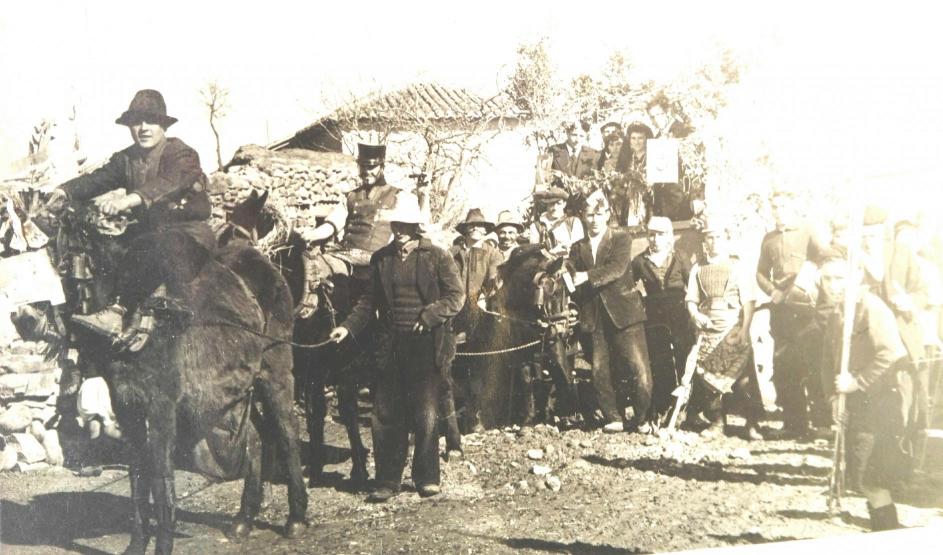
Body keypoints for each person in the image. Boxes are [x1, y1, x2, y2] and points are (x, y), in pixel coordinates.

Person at [328, 195, 464, 503]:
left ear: (416, 227)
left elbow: (456, 297)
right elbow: (368, 302)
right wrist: (347, 327)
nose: (399, 230)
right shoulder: (382, 259)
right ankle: (387, 480)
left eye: (405, 225)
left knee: (426, 413)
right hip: (390, 346)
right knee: (386, 413)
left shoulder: (437, 257)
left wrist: (430, 316)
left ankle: (426, 478)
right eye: (396, 225)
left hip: (426, 346)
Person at [60, 89, 214, 349]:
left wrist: (128, 200)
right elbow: (97, 179)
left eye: (151, 121)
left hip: (187, 236)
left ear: (163, 126)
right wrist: (64, 191)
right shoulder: (126, 159)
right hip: (148, 235)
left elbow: (170, 182)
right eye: (136, 122)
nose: (143, 128)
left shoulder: (182, 154)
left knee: (152, 245)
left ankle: (117, 312)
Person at [818, 257, 911, 531]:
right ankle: (884, 530)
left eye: (839, 278)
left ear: (856, 276)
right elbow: (827, 361)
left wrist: (857, 382)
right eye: (827, 279)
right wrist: (833, 397)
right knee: (863, 477)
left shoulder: (871, 308)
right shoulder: (838, 312)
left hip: (881, 404)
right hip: (855, 403)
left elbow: (891, 353)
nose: (832, 285)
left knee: (871, 478)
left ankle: (888, 533)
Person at [568, 191, 653, 433]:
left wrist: (585, 276)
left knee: (638, 368)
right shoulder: (577, 247)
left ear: (607, 215)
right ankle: (613, 417)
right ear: (583, 216)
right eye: (589, 215)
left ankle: (642, 419)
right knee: (599, 370)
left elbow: (617, 268)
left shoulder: (621, 238)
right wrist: (565, 275)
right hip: (593, 316)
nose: (593, 220)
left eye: (598, 214)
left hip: (625, 313)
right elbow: (570, 275)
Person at [756, 191, 828, 439]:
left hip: (807, 311)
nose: (779, 211)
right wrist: (772, 291)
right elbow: (760, 273)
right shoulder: (769, 239)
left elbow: (824, 259)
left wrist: (808, 279)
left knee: (813, 364)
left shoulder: (808, 231)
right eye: (775, 206)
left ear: (793, 207)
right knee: (786, 366)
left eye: (783, 206)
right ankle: (794, 425)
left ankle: (822, 424)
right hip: (782, 312)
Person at [685, 215, 762, 439]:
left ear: (726, 239)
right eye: (710, 238)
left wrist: (744, 330)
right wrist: (695, 314)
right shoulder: (697, 268)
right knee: (708, 379)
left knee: (744, 380)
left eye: (718, 237)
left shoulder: (737, 266)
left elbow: (748, 301)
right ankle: (717, 423)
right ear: (704, 242)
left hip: (733, 329)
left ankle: (752, 424)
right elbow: (691, 299)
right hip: (709, 329)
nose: (714, 242)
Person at [298, 143, 400, 298]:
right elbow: (331, 224)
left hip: (375, 259)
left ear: (382, 167)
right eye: (363, 166)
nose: (366, 171)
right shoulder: (351, 196)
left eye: (371, 167)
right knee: (311, 267)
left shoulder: (397, 196)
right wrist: (311, 235)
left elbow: (411, 227)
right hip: (343, 255)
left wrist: (423, 196)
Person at [632, 217, 694, 419]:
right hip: (655, 317)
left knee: (684, 357)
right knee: (661, 360)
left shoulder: (680, 257)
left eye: (661, 235)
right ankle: (666, 406)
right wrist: (641, 301)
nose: (655, 239)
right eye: (652, 235)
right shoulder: (640, 261)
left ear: (669, 236)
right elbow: (629, 287)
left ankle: (687, 407)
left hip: (679, 314)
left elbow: (693, 285)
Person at [449, 209, 505, 431]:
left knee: (479, 362)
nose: (475, 229)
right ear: (465, 230)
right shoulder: (453, 253)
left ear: (485, 230)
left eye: (480, 226)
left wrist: (482, 297)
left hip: (480, 310)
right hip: (454, 308)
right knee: (452, 361)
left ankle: (478, 415)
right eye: (471, 226)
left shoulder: (492, 253)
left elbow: (494, 280)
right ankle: (454, 414)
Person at [528, 187, 584, 255]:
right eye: (551, 204)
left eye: (558, 203)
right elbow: (534, 253)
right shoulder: (536, 226)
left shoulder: (574, 222)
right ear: (546, 204)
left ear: (564, 204)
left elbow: (579, 250)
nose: (554, 208)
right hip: (546, 260)